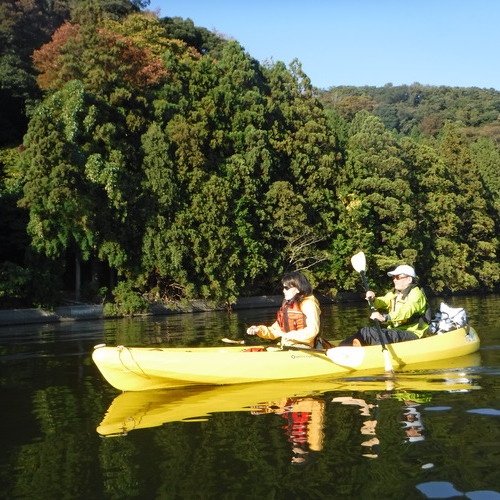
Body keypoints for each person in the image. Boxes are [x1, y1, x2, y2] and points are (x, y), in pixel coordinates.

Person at [341, 264, 430, 346]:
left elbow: (406, 311)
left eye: (398, 277)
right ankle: (339, 348)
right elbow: (382, 301)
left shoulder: (416, 294)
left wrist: (385, 317)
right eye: (394, 277)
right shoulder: (394, 294)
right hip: (396, 332)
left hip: (414, 333)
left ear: (409, 279)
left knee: (369, 332)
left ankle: (372, 354)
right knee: (364, 332)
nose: (394, 280)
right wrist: (373, 299)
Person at [246, 271, 322, 349]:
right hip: (288, 345)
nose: (283, 291)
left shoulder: (308, 304)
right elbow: (275, 331)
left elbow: (312, 330)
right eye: (283, 288)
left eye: (287, 288)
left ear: (298, 289)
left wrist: (288, 335)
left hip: (305, 347)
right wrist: (259, 330)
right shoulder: (289, 306)